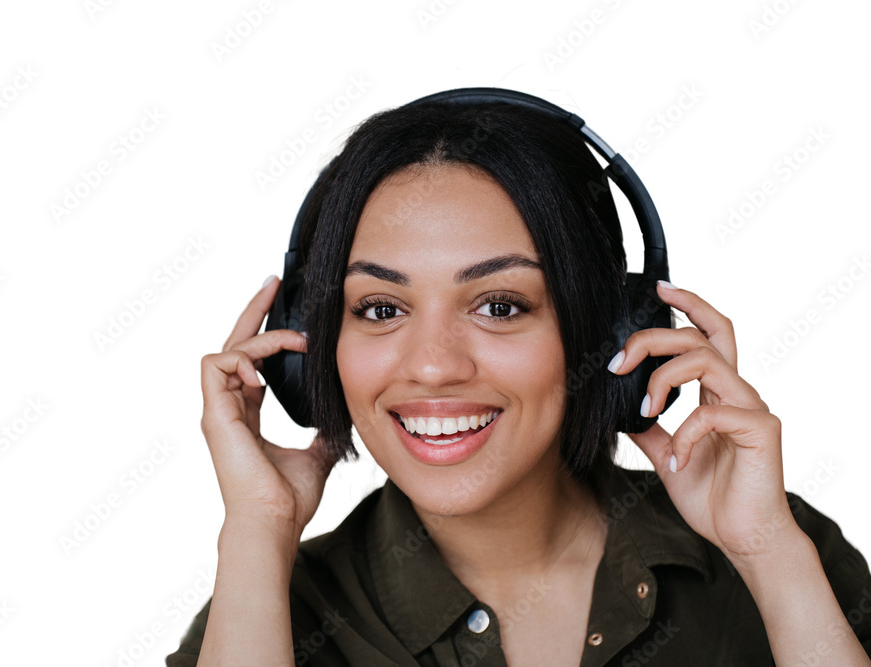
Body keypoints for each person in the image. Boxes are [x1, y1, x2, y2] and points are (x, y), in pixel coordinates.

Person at [167, 96, 871, 666]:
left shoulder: (783, 551)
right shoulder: (267, 614)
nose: (435, 364)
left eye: (499, 305)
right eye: (381, 309)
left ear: (611, 331)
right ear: (307, 348)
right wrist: (256, 531)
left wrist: (767, 552)